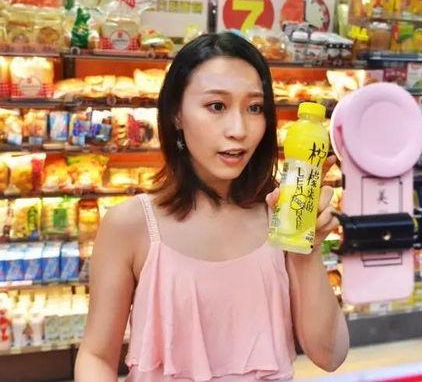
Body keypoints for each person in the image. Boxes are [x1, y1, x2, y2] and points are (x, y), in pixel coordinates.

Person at [75, 32, 349, 382]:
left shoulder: (280, 215)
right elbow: (97, 355)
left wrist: (306, 247)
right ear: (176, 113)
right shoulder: (130, 225)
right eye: (217, 106)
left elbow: (330, 354)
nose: (239, 129)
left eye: (254, 108)